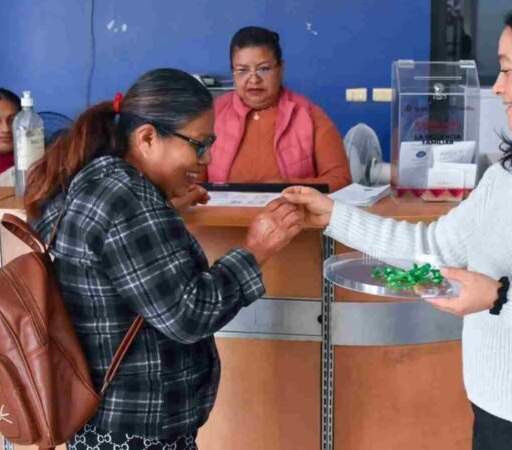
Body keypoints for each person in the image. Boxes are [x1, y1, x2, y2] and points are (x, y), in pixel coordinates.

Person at [284, 1, 512, 449]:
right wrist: (334, 217)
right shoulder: (508, 174)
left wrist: (502, 297)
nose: (498, 88)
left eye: (507, 69)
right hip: (495, 414)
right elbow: (433, 246)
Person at [25, 68, 303, 450]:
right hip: (135, 430)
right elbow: (190, 314)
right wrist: (257, 249)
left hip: (104, 422)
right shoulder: (126, 198)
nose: (205, 161)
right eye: (198, 145)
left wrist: (162, 208)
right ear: (147, 137)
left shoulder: (96, 178)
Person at [204, 26, 351, 192]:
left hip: (291, 214)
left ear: (281, 68)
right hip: (219, 216)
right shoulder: (212, 114)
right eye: (242, 70)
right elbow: (191, 181)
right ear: (233, 72)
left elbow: (340, 179)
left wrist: (286, 188)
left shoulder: (309, 115)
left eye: (264, 69)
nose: (254, 80)